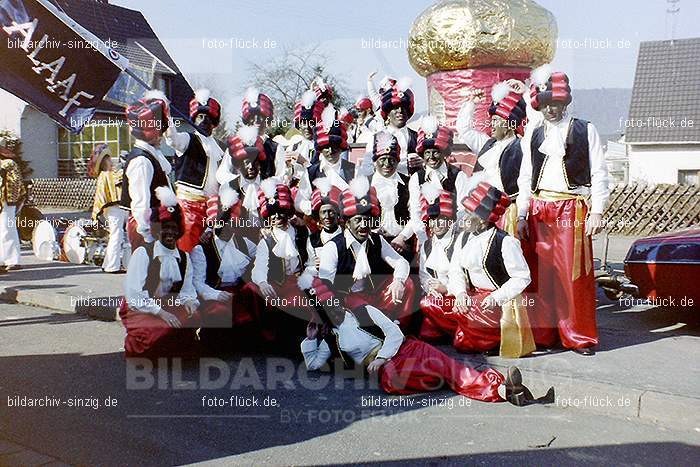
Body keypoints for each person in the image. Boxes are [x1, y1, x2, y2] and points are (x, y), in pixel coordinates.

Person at [300, 278, 552, 405]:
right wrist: (310, 341)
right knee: (393, 377)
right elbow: (313, 365)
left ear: (340, 299)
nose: (332, 309)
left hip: (405, 349)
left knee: (451, 368)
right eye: (325, 307)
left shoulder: (363, 311)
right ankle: (459, 383)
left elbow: (394, 333)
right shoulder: (330, 339)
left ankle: (499, 389)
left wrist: (380, 357)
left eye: (333, 302)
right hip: (390, 371)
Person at [516, 65, 610, 356]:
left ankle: (578, 335)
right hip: (539, 208)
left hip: (572, 209)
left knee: (573, 277)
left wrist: (597, 211)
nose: (551, 110)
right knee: (543, 276)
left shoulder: (585, 129)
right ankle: (545, 334)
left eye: (556, 104)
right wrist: (521, 213)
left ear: (565, 102)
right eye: (546, 105)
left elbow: (600, 172)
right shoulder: (533, 132)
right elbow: (525, 177)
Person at [316, 176, 416, 329]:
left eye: (367, 220)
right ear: (347, 222)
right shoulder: (334, 246)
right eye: (358, 220)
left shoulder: (377, 240)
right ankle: (376, 327)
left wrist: (398, 281)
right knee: (365, 318)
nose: (364, 225)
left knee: (407, 284)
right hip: (348, 299)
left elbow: (401, 262)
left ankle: (398, 329)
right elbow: (325, 283)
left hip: (374, 296)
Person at [450, 182, 534, 357]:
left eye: (468, 213)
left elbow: (522, 277)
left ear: (482, 219)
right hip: (472, 296)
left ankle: (493, 338)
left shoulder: (505, 242)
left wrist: (496, 297)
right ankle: (476, 334)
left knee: (466, 314)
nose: (463, 217)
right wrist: (460, 293)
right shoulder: (463, 238)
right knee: (435, 305)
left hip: (498, 301)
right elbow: (455, 269)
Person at [119, 187, 200, 358]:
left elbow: (185, 290)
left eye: (173, 228)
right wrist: (161, 313)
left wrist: (191, 302)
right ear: (157, 230)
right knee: (160, 334)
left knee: (190, 327)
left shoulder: (184, 257)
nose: (169, 232)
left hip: (168, 305)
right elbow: (134, 295)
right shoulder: (143, 253)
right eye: (165, 228)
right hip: (141, 308)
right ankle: (134, 343)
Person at [238, 178, 312, 352]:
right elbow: (260, 266)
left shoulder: (301, 232)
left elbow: (311, 258)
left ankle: (305, 338)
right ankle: (269, 338)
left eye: (281, 212)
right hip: (276, 283)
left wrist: (307, 274)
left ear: (287, 212)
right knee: (251, 288)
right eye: (273, 214)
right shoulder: (267, 240)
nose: (277, 217)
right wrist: (262, 283)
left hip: (298, 281)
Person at [457, 80, 527, 235]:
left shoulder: (522, 145)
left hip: (508, 212)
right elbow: (464, 130)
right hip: (482, 212)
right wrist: (471, 104)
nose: (492, 125)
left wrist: (526, 93)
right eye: (491, 120)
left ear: (509, 123)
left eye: (496, 120)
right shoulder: (487, 144)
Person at [392, 116, 469, 255]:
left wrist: (446, 233)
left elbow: (463, 211)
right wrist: (423, 239)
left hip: (454, 238)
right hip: (426, 238)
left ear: (444, 152)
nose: (431, 157)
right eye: (427, 152)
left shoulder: (458, 176)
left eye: (436, 152)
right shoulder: (417, 178)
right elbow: (416, 214)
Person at [165, 89, 224, 252]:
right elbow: (172, 139)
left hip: (211, 208)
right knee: (186, 248)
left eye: (208, 118)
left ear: (214, 122)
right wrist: (167, 115)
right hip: (188, 206)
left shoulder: (220, 148)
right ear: (193, 119)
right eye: (200, 117)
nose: (204, 121)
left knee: (206, 255)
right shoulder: (187, 139)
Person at [191, 208, 257, 349]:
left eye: (230, 225)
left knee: (257, 293)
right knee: (219, 313)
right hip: (215, 291)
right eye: (222, 225)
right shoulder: (202, 249)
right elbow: (197, 282)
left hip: (239, 291)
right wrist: (217, 295)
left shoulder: (243, 243)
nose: (227, 229)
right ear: (214, 225)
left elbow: (264, 255)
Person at [120, 90, 173, 250]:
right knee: (151, 274)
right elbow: (140, 203)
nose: (162, 136)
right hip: (147, 231)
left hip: (158, 227)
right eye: (160, 131)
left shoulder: (152, 154)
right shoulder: (141, 161)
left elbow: (166, 168)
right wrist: (147, 236)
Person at [416, 184, 461, 342]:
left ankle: (460, 328)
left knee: (427, 305)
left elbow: (467, 277)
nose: (437, 224)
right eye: (432, 220)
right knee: (426, 334)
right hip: (439, 297)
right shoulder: (428, 245)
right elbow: (424, 274)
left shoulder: (460, 241)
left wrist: (447, 289)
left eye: (441, 219)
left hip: (459, 296)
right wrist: (430, 287)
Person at [368, 131, 414, 262]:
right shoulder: (365, 183)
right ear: (375, 161)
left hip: (402, 243)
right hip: (372, 244)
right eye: (382, 159)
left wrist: (402, 237)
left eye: (392, 160)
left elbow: (415, 215)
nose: (387, 164)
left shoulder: (409, 182)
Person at [216, 126, 269, 239]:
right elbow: (221, 220)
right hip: (239, 238)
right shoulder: (230, 187)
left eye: (255, 162)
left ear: (259, 165)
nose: (251, 167)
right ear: (239, 165)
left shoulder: (267, 185)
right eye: (247, 162)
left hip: (264, 236)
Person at [366, 77, 422, 176]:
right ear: (387, 113)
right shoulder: (376, 139)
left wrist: (423, 162)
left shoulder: (418, 137)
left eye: (403, 108)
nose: (400, 111)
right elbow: (367, 169)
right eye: (395, 108)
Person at [89, 144, 127, 273]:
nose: (111, 161)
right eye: (109, 159)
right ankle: (112, 266)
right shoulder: (108, 174)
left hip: (111, 208)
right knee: (117, 235)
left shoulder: (105, 174)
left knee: (115, 235)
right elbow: (119, 183)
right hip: (114, 208)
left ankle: (108, 264)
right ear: (105, 160)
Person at [299, 177, 343, 280]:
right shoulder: (313, 239)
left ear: (338, 214)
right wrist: (316, 267)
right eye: (323, 212)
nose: (327, 216)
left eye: (331, 211)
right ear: (318, 216)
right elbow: (310, 266)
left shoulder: (347, 236)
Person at [307, 105, 355, 187]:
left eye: (334, 146)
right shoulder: (311, 172)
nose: (331, 150)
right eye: (326, 147)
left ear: (341, 147)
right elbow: (304, 197)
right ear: (321, 149)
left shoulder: (353, 170)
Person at [241, 87, 279, 179]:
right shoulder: (238, 143)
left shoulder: (275, 147)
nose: (256, 120)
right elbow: (223, 174)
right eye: (252, 116)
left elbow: (280, 176)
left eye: (260, 116)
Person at [0, 143, 25, 273]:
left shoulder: (8, 164)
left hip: (5, 201)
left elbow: (15, 182)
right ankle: (2, 260)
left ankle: (13, 260)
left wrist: (12, 200)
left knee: (6, 229)